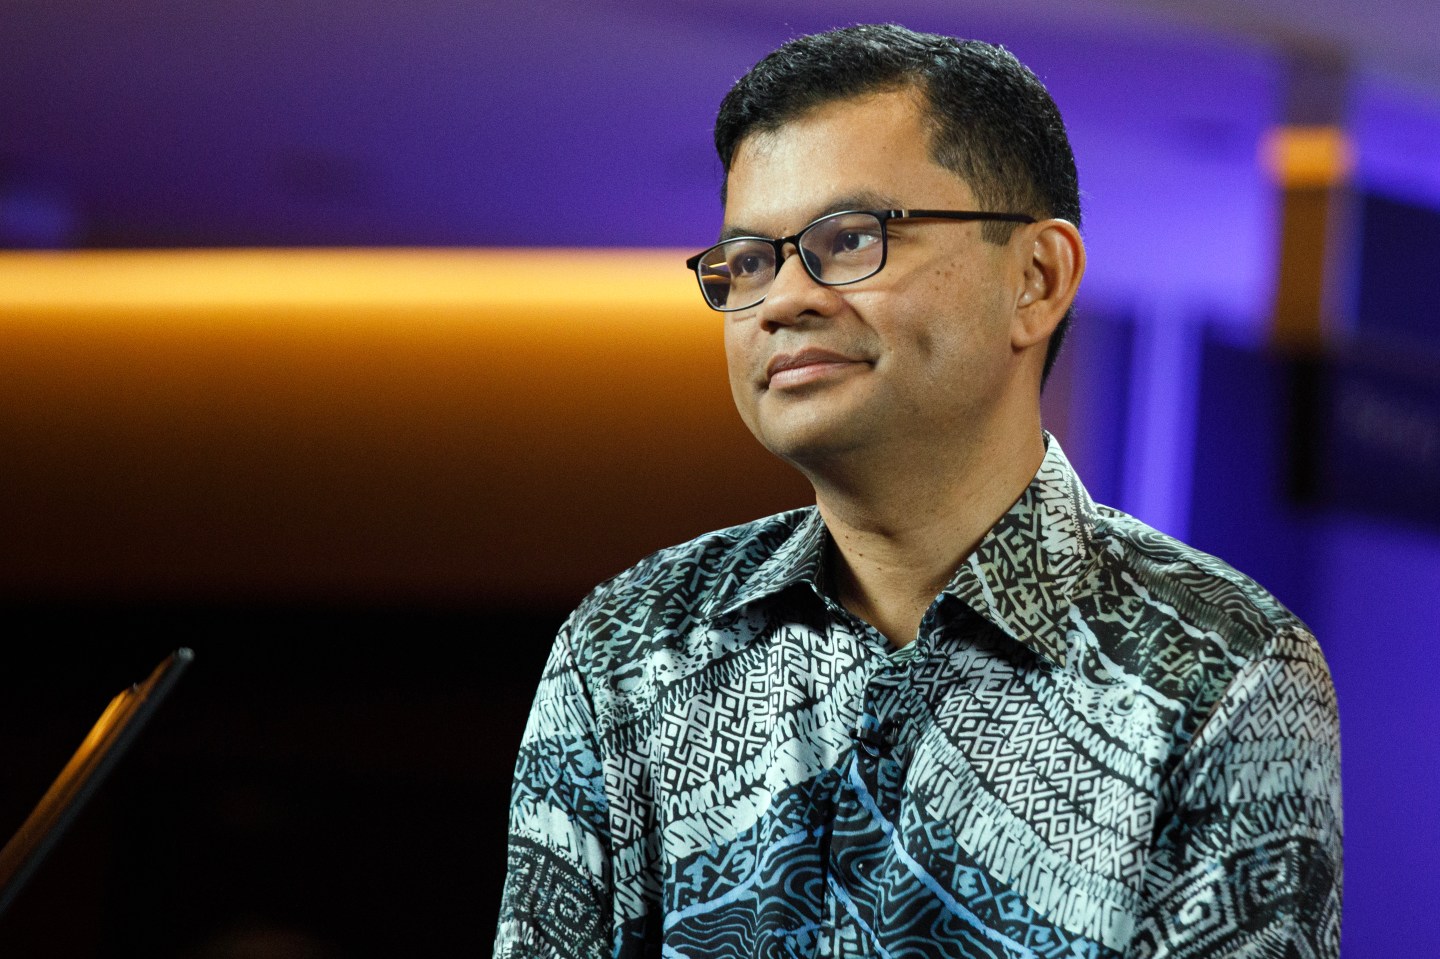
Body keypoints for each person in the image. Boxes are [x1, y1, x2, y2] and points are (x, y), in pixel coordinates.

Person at [495, 23, 1342, 959]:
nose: (782, 301)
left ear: (1037, 279)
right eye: (750, 261)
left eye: (850, 239)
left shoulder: (1218, 669)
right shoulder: (631, 645)